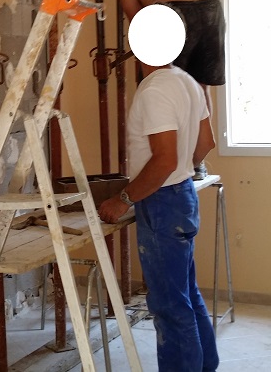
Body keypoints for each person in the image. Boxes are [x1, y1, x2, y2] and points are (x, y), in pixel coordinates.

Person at [98, 50, 219, 371]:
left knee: (170, 306)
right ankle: (206, 366)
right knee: (186, 295)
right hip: (182, 196)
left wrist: (123, 199)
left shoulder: (154, 90)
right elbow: (205, 144)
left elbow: (164, 161)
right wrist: (182, 170)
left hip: (162, 202)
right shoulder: (187, 81)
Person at [114, 0, 225, 178]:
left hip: (174, 10)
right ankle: (196, 164)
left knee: (163, 83)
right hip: (211, 7)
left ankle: (169, 164)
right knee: (200, 87)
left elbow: (141, 25)